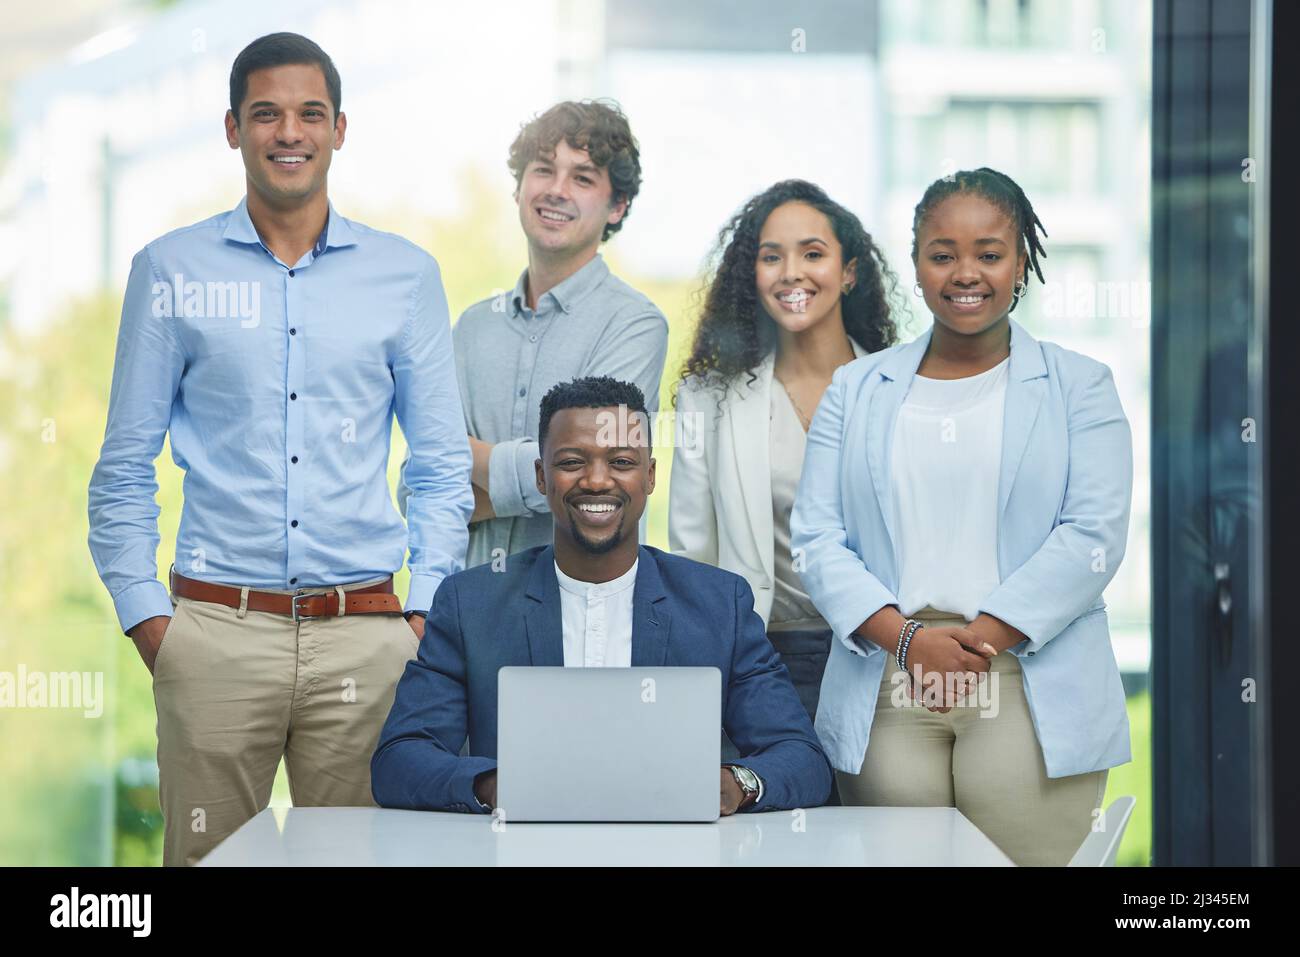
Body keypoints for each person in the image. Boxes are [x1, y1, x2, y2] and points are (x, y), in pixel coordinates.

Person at [86, 33, 474, 866]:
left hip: (367, 640)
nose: (288, 132)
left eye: (309, 113)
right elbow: (123, 467)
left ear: (340, 128)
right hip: (214, 632)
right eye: (266, 113)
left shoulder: (404, 276)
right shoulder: (170, 271)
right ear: (233, 129)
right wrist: (151, 620)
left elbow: (440, 466)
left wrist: (421, 616)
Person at [791, 168, 1132, 866]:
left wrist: (977, 639)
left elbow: (1092, 535)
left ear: (1021, 262)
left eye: (989, 252)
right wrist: (910, 640)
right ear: (916, 265)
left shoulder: (1081, 385)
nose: (964, 272)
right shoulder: (855, 389)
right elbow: (817, 539)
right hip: (890, 671)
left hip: (1022, 670)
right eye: (942, 253)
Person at [373, 377, 832, 815]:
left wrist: (735, 785)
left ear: (650, 476)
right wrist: (493, 785)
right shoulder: (470, 602)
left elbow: (802, 759)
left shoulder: (718, 603)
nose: (596, 481)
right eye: (572, 461)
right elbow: (400, 761)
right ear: (541, 476)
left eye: (622, 462)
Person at [399, 100, 668, 578]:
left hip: (581, 610)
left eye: (583, 178)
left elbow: (597, 480)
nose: (557, 191)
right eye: (544, 170)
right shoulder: (473, 327)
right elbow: (414, 487)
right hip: (465, 609)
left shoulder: (636, 325)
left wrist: (464, 466)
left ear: (617, 206)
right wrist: (541, 478)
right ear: (521, 186)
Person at [670, 180, 898, 725]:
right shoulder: (709, 399)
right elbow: (691, 557)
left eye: (812, 254)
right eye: (772, 257)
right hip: (758, 662)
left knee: (873, 811)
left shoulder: (901, 392)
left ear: (849, 272)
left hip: (882, 659)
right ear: (753, 275)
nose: (791, 272)